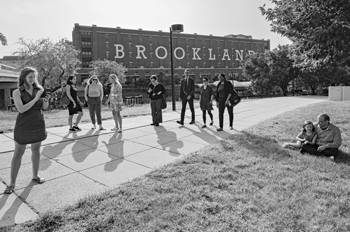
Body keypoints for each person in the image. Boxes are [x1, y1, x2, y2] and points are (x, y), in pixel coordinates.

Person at [4, 67, 50, 194]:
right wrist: (36, 98)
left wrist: (46, 100)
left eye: (34, 77)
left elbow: (45, 107)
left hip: (38, 122)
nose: (32, 79)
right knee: (18, 153)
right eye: (30, 77)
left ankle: (35, 176)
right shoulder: (17, 92)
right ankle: (12, 183)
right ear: (23, 77)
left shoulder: (39, 89)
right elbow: (21, 109)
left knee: (36, 150)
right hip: (24, 124)